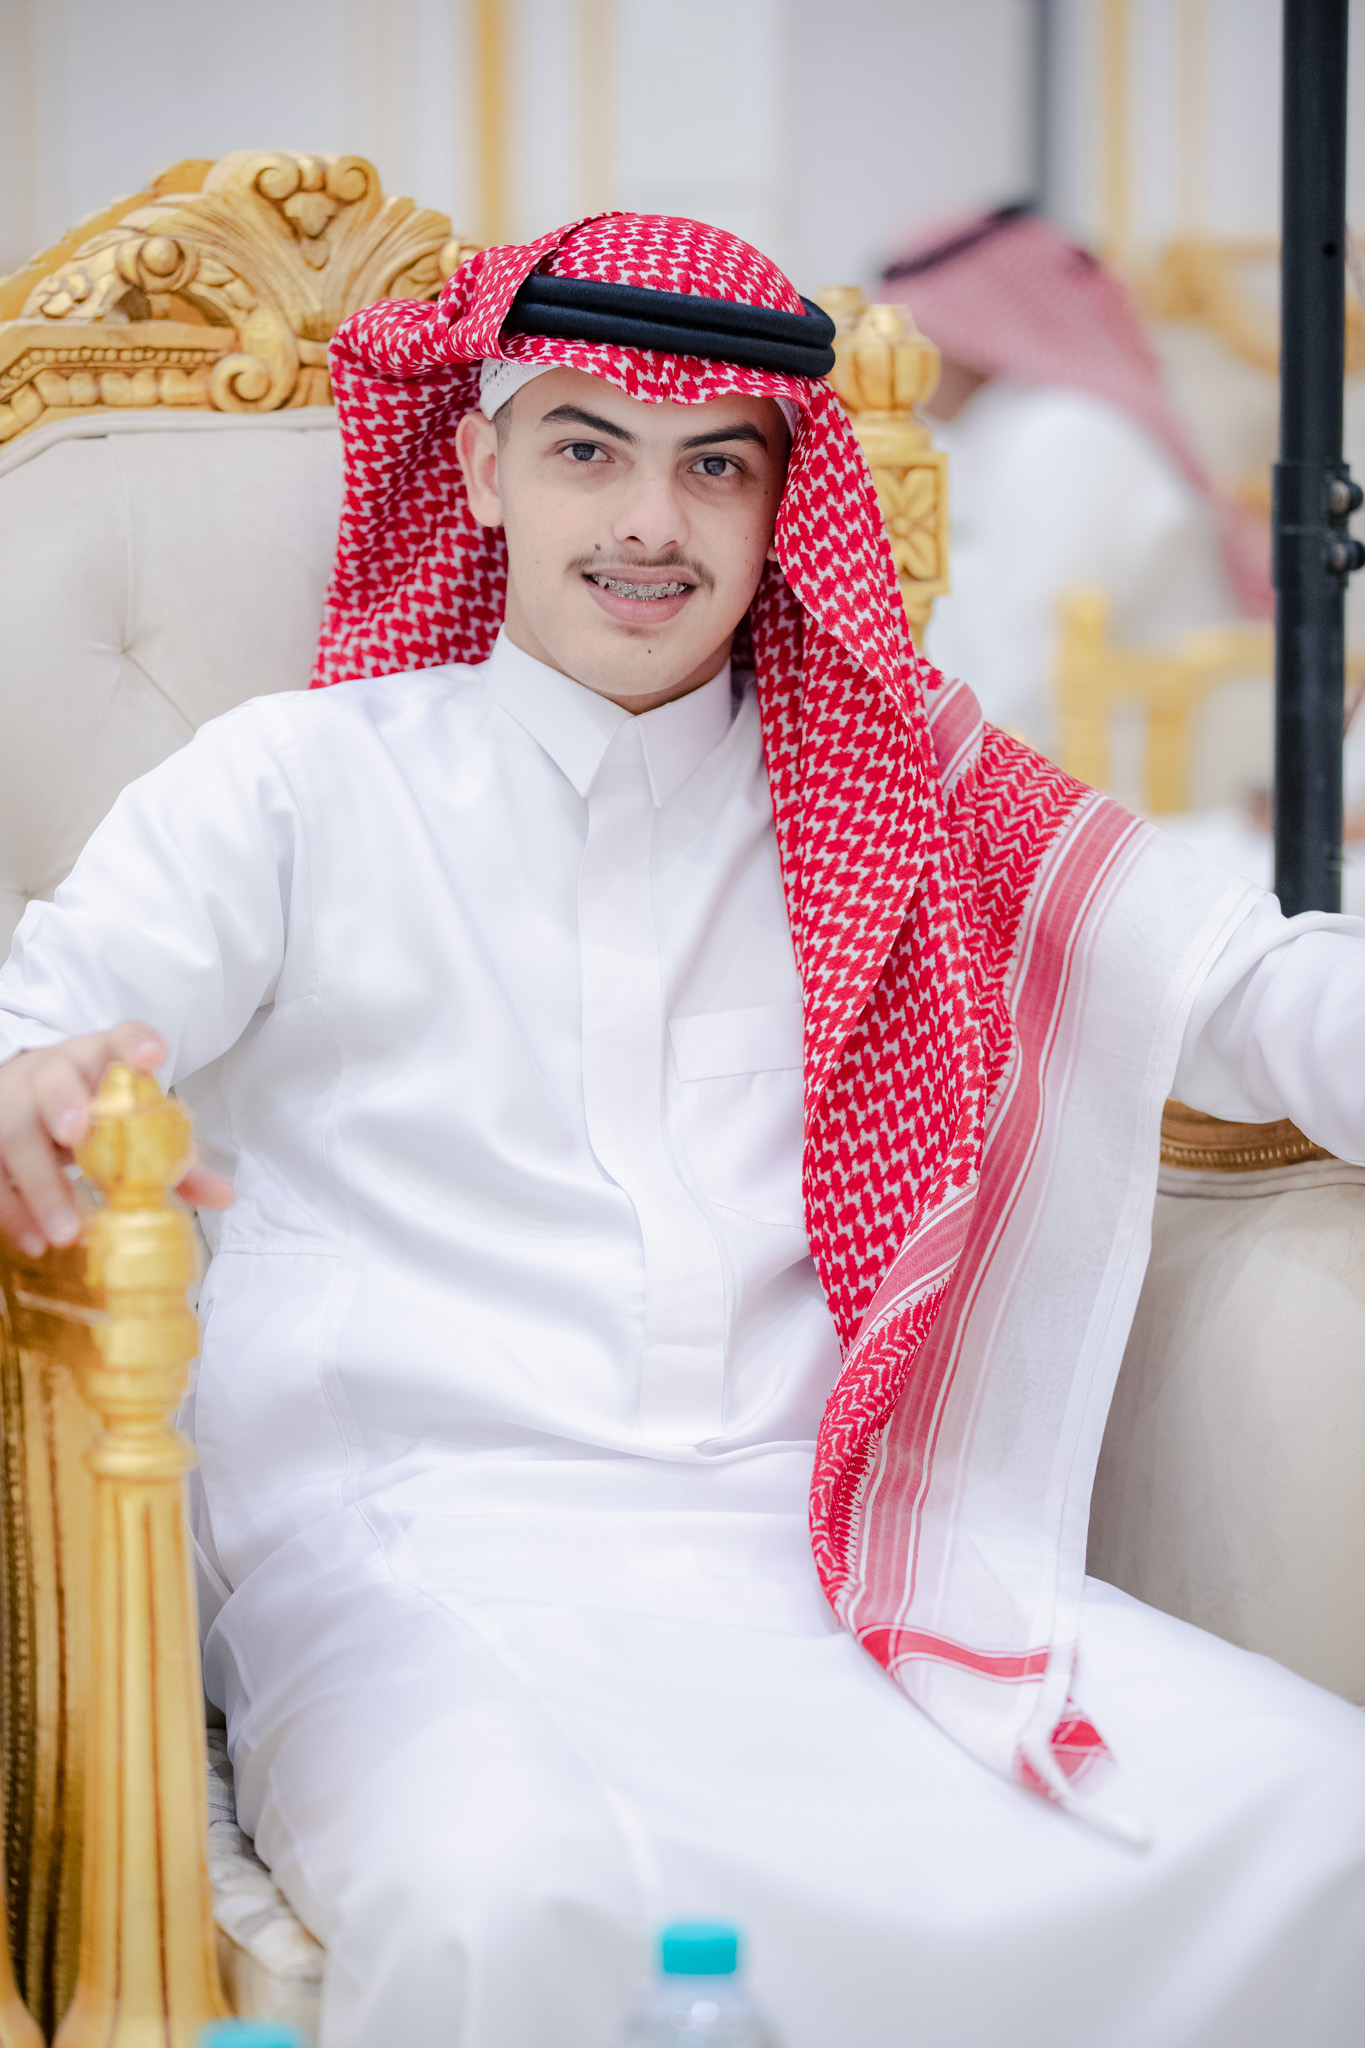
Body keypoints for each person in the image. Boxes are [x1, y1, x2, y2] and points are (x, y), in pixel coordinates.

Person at [0, 213, 1363, 2048]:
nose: (651, 523)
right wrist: (36, 1083)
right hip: (413, 1551)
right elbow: (49, 1022)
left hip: (829, 1549)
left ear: (781, 501)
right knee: (512, 1905)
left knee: (1319, 1816)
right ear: (478, 469)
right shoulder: (300, 783)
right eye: (589, 450)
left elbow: (1250, 990)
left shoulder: (888, 784)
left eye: (716, 465)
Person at [883, 202, 1271, 750]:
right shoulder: (978, 435)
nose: (887, 359)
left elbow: (1028, 677)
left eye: (907, 330)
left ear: (973, 330)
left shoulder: (1069, 434)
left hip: (1123, 777)